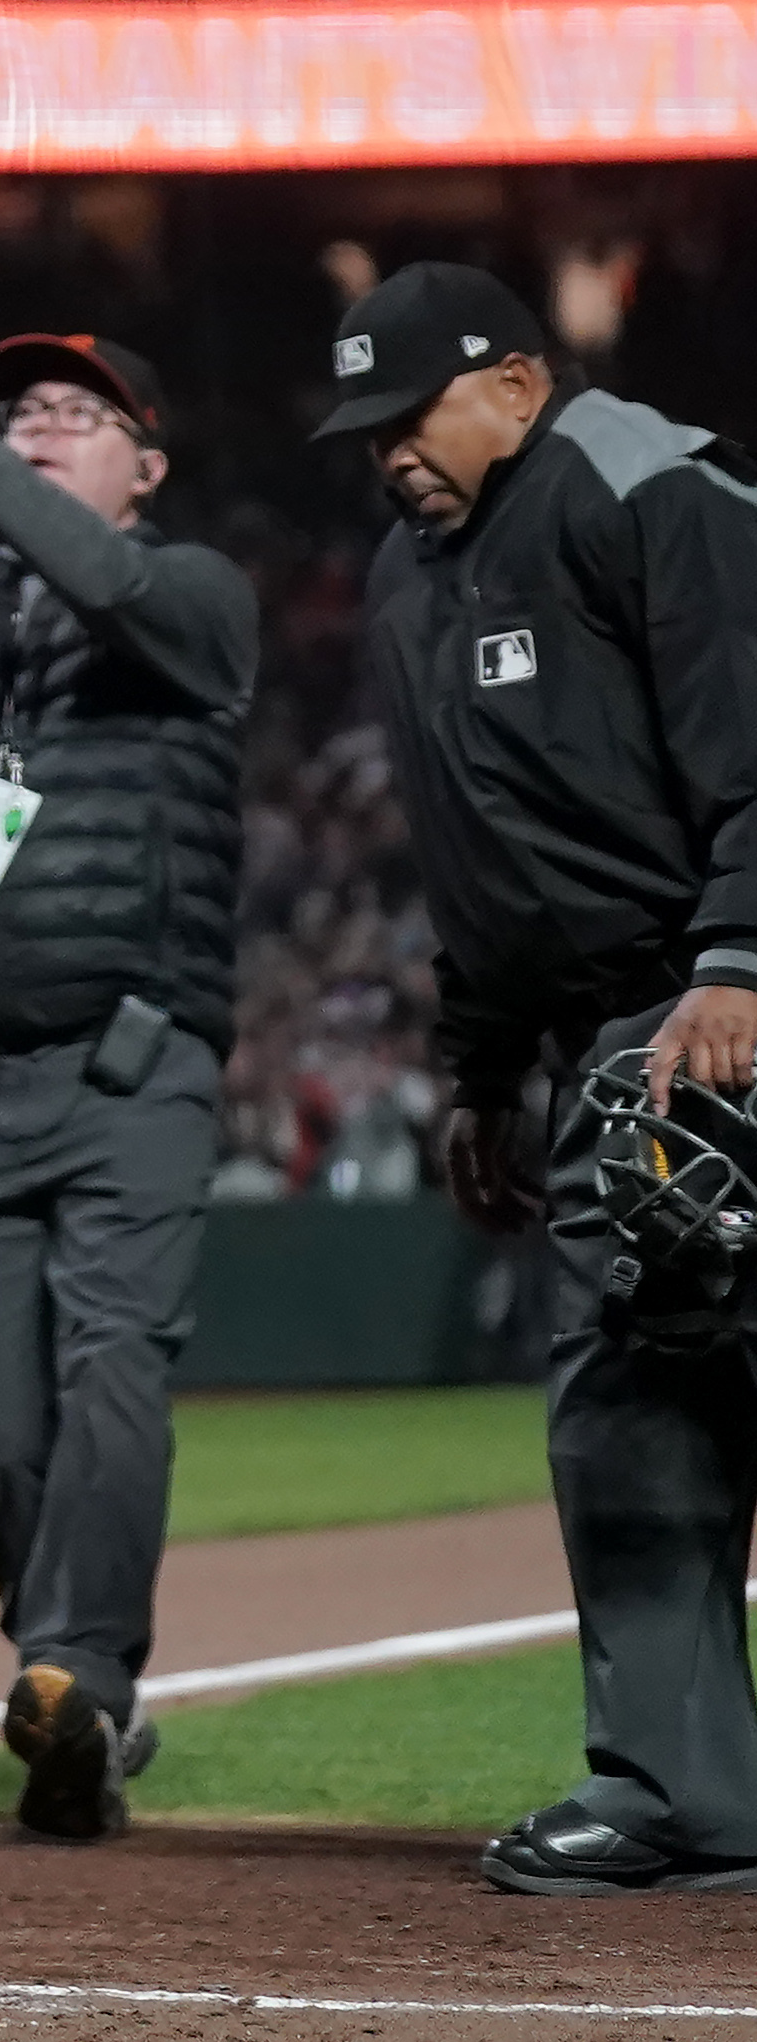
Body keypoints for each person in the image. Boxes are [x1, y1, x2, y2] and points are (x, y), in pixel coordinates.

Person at [319, 258, 757, 1894]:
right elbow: (478, 863)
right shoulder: (408, 573)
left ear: (512, 379)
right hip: (601, 1048)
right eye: (357, 425)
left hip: (720, 996)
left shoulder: (639, 485)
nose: (382, 450)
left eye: (403, 409)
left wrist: (735, 962)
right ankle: (682, 1789)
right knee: (629, 1408)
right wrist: (477, 1074)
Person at [0, 328, 255, 1846]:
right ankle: (74, 1701)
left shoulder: (194, 595)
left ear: (142, 466)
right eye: (21, 407)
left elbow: (105, 581)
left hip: (127, 1055)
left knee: (112, 1370)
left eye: (75, 413)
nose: (35, 428)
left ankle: (77, 1664)